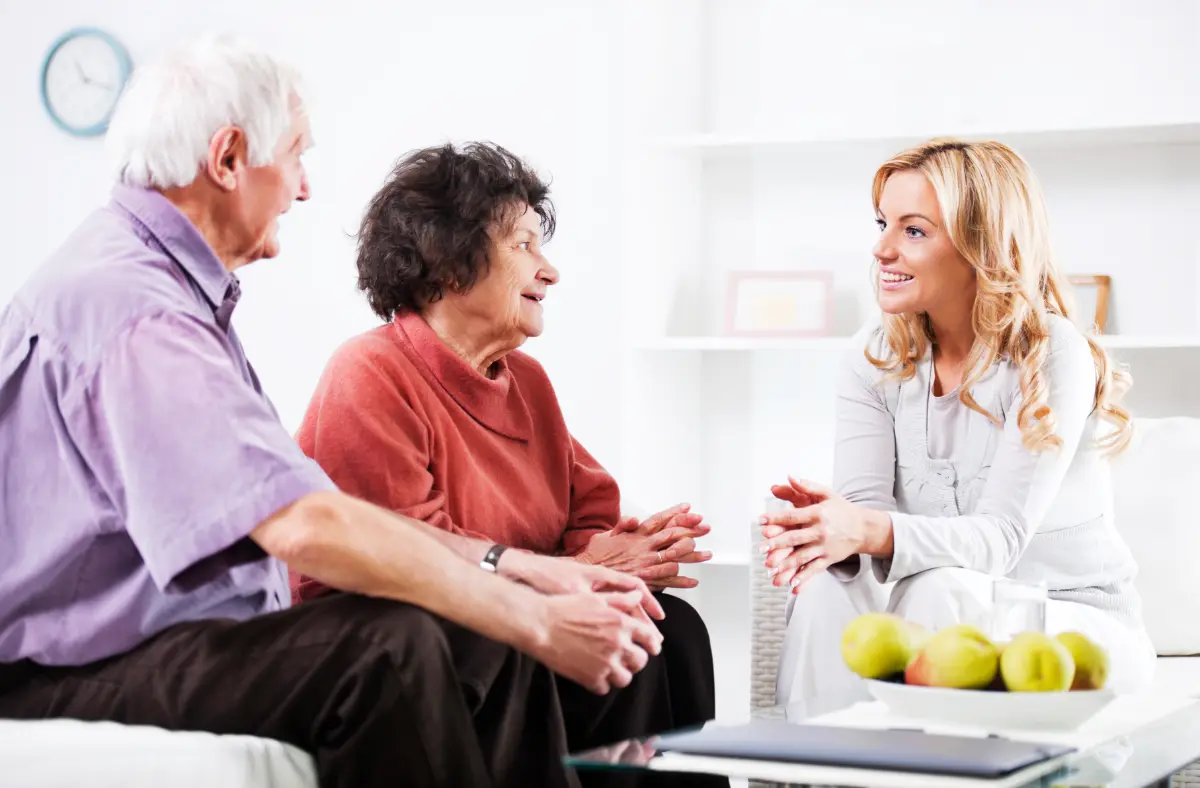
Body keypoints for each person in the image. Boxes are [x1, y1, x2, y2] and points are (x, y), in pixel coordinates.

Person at [0, 35, 666, 788]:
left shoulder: (163, 292)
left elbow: (309, 503)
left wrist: (519, 575)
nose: (305, 188)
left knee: (480, 637)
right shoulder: (135, 310)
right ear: (227, 160)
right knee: (395, 649)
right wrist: (534, 615)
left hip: (157, 644)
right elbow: (305, 526)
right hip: (63, 670)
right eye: (294, 157)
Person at [290, 141, 721, 782]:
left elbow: (587, 506)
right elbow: (411, 556)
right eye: (524, 246)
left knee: (668, 628)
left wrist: (620, 554)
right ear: (448, 265)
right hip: (406, 633)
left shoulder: (526, 381)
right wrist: (576, 572)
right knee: (554, 639)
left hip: (511, 612)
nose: (549, 272)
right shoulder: (371, 372)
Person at [763, 138, 1157, 719]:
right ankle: (804, 771)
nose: (881, 249)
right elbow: (870, 532)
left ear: (983, 245)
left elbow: (998, 540)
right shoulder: (871, 357)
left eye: (913, 231)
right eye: (882, 224)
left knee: (940, 589)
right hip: (941, 617)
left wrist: (866, 528)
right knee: (828, 589)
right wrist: (831, 533)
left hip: (1069, 626)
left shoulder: (1050, 356)